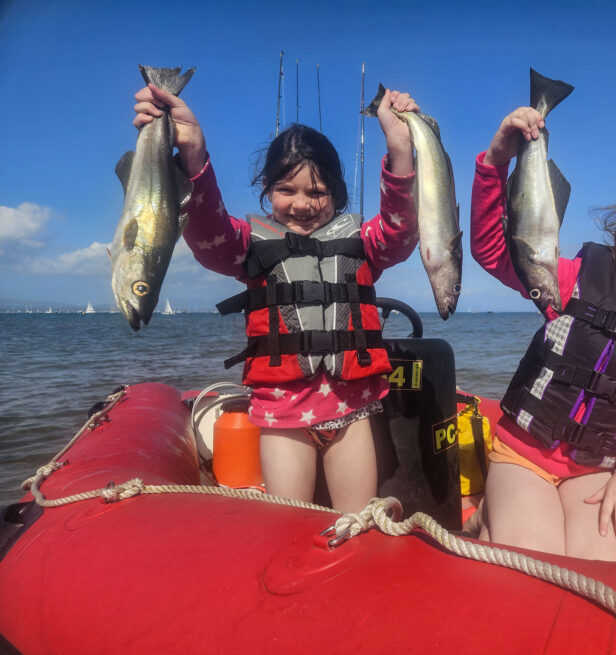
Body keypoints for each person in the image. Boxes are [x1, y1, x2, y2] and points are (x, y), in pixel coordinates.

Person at [133, 82, 421, 513]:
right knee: (287, 525)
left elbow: (401, 231)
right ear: (267, 189)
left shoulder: (364, 242)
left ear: (337, 193)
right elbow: (208, 234)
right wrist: (193, 151)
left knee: (358, 523)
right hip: (281, 417)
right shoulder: (249, 243)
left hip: (352, 412)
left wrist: (399, 148)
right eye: (287, 190)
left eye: (317, 192)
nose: (302, 204)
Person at [471, 106, 616, 560]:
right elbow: (492, 250)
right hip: (523, 454)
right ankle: (493, 512)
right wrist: (495, 163)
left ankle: (491, 519)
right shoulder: (566, 280)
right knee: (531, 564)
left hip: (599, 469)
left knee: (604, 573)